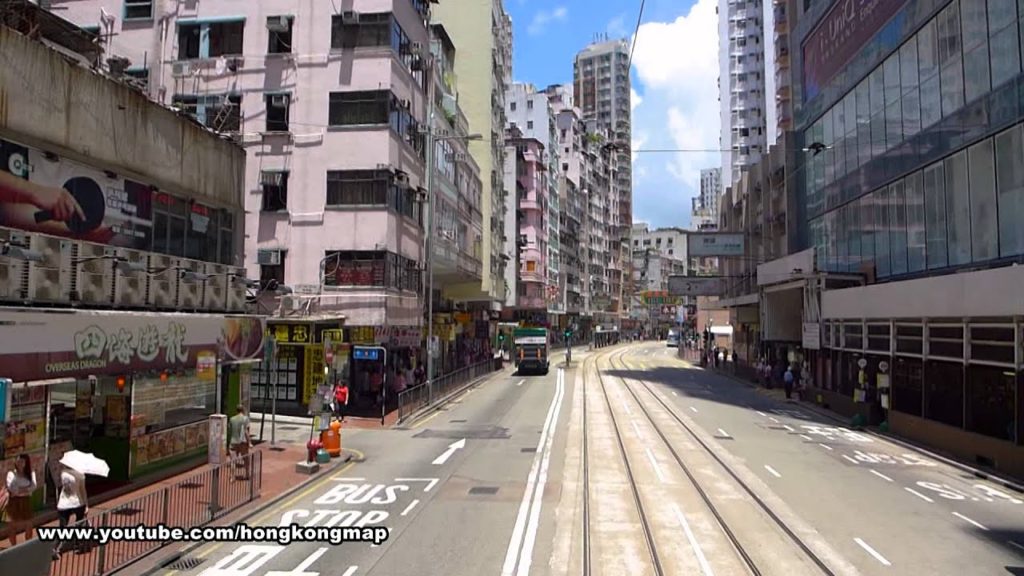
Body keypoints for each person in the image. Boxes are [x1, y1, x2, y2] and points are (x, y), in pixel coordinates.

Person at [53, 463, 87, 559]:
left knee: (62, 526)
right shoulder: (80, 474)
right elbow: (83, 490)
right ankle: (78, 544)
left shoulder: (63, 472)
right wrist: (86, 505)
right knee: (79, 523)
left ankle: (56, 547)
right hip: (77, 502)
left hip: (64, 503)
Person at [5, 454, 37, 546]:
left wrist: (20, 490)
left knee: (28, 524)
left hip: (25, 501)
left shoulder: (31, 473)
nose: (20, 463)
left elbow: (33, 486)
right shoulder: (11, 474)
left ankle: (27, 546)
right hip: (13, 502)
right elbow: (11, 488)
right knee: (12, 526)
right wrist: (26, 490)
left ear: (26, 463)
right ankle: (13, 547)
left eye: (22, 462)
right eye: (18, 461)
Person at [228, 405, 252, 481]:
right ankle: (247, 474)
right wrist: (249, 442)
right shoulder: (245, 419)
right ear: (243, 410)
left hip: (233, 442)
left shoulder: (232, 419)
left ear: (237, 410)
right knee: (246, 459)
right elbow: (246, 432)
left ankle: (232, 477)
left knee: (233, 461)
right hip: (242, 442)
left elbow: (230, 430)